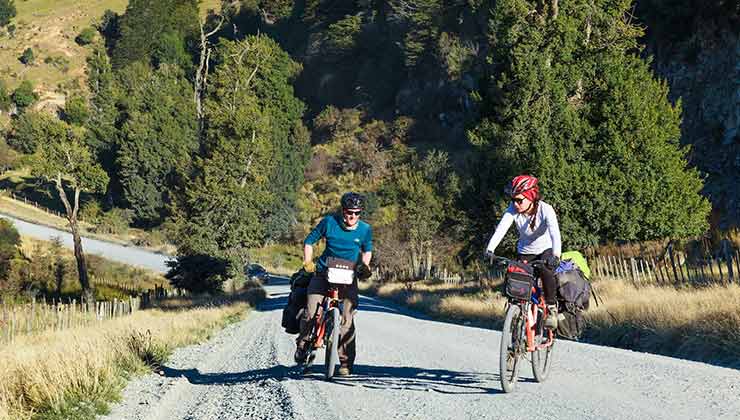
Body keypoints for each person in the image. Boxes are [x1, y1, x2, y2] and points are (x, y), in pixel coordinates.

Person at [295, 192, 373, 376]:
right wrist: (308, 262)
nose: (352, 216)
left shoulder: (365, 229)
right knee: (311, 312)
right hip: (322, 273)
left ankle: (345, 364)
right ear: (343, 211)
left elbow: (367, 250)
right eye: (349, 212)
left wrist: (365, 266)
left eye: (356, 213)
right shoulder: (329, 222)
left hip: (347, 278)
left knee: (346, 320)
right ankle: (303, 346)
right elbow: (309, 242)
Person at [485, 175, 562, 329]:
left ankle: (552, 309)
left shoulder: (546, 210)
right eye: (513, 199)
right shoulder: (513, 210)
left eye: (519, 200)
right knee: (515, 279)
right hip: (525, 252)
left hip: (544, 250)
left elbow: (555, 234)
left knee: (547, 272)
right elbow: (501, 229)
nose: (516, 203)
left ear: (531, 197)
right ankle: (515, 315)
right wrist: (490, 249)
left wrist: (556, 255)